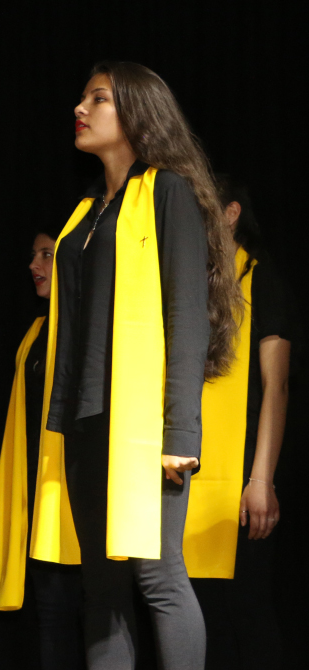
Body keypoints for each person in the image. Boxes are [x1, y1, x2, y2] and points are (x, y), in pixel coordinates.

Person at [33, 62, 240, 670]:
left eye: (98, 98)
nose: (81, 106)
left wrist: (180, 432)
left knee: (157, 575)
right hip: (86, 419)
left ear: (137, 112)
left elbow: (187, 312)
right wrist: (61, 425)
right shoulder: (85, 216)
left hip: (142, 425)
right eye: (82, 96)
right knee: (100, 587)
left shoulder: (167, 191)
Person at [184, 177, 296, 670]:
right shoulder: (192, 285)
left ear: (230, 213)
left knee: (245, 612)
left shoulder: (261, 277)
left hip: (244, 484)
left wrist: (261, 480)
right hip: (188, 481)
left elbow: (277, 386)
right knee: (200, 619)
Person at [0, 231, 84, 670]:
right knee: (50, 612)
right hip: (40, 491)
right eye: (33, 256)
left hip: (78, 495)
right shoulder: (36, 331)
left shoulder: (83, 323)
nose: (34, 265)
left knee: (90, 613)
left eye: (46, 255)